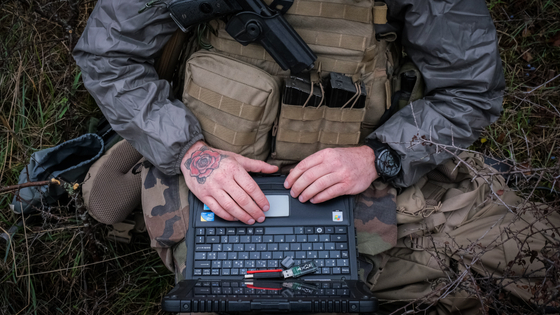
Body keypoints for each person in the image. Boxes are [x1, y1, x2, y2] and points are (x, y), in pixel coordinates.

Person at [73, 0, 506, 311]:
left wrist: (381, 155)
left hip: (355, 170)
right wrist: (188, 153)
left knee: (331, 294)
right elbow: (107, 53)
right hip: (217, 169)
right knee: (227, 294)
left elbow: (471, 90)